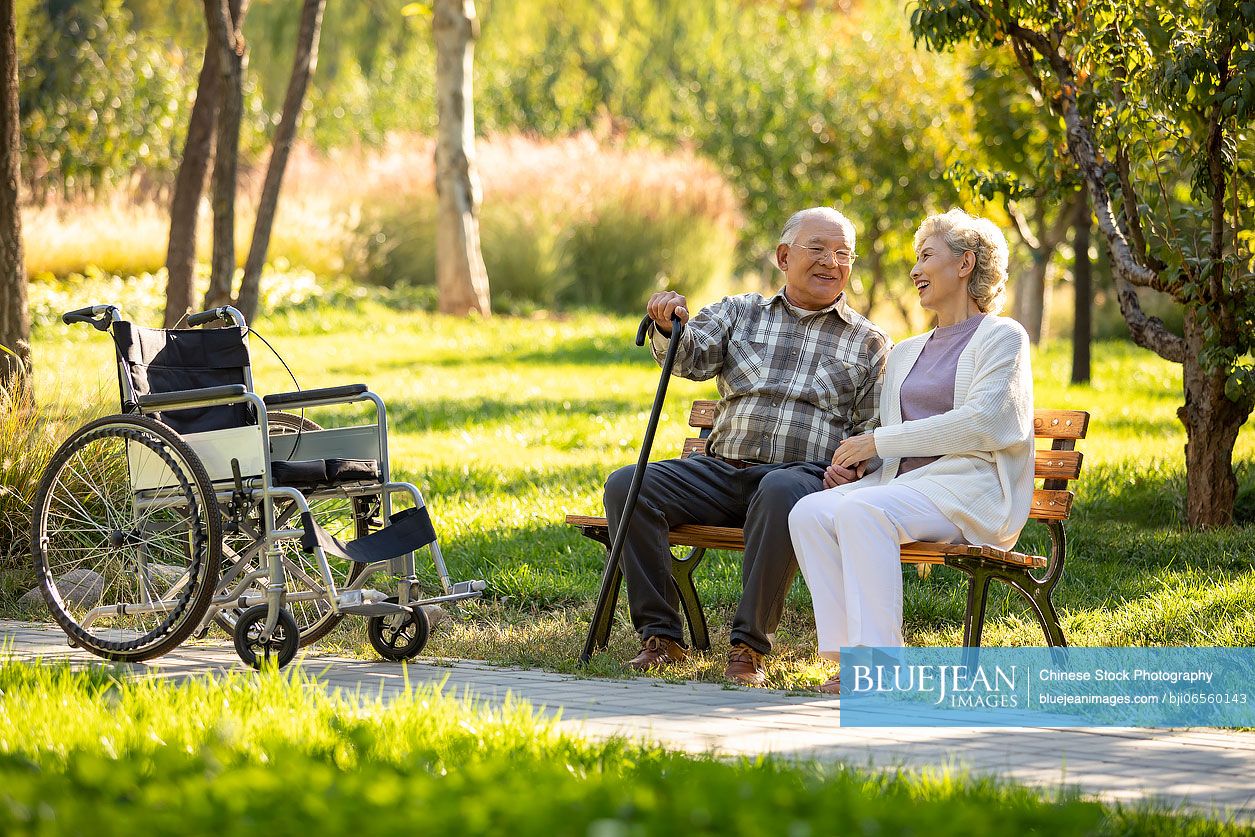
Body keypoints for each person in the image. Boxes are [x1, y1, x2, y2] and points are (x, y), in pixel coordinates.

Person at [602, 206, 891, 685]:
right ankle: (661, 638)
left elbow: (874, 429)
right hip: (721, 472)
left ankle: (748, 648)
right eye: (817, 249)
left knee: (778, 490)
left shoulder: (869, 342)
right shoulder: (740, 313)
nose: (830, 262)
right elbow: (690, 355)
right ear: (783, 256)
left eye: (843, 254)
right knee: (628, 485)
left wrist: (853, 468)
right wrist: (669, 326)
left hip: (800, 478)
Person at [788, 208, 1035, 694]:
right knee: (809, 512)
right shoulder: (906, 351)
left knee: (864, 514)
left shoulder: (1003, 337)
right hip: (905, 487)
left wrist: (878, 442)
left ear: (965, 264)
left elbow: (985, 423)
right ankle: (846, 658)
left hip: (970, 492)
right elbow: (900, 438)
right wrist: (863, 465)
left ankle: (878, 666)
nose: (915, 270)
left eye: (927, 257)